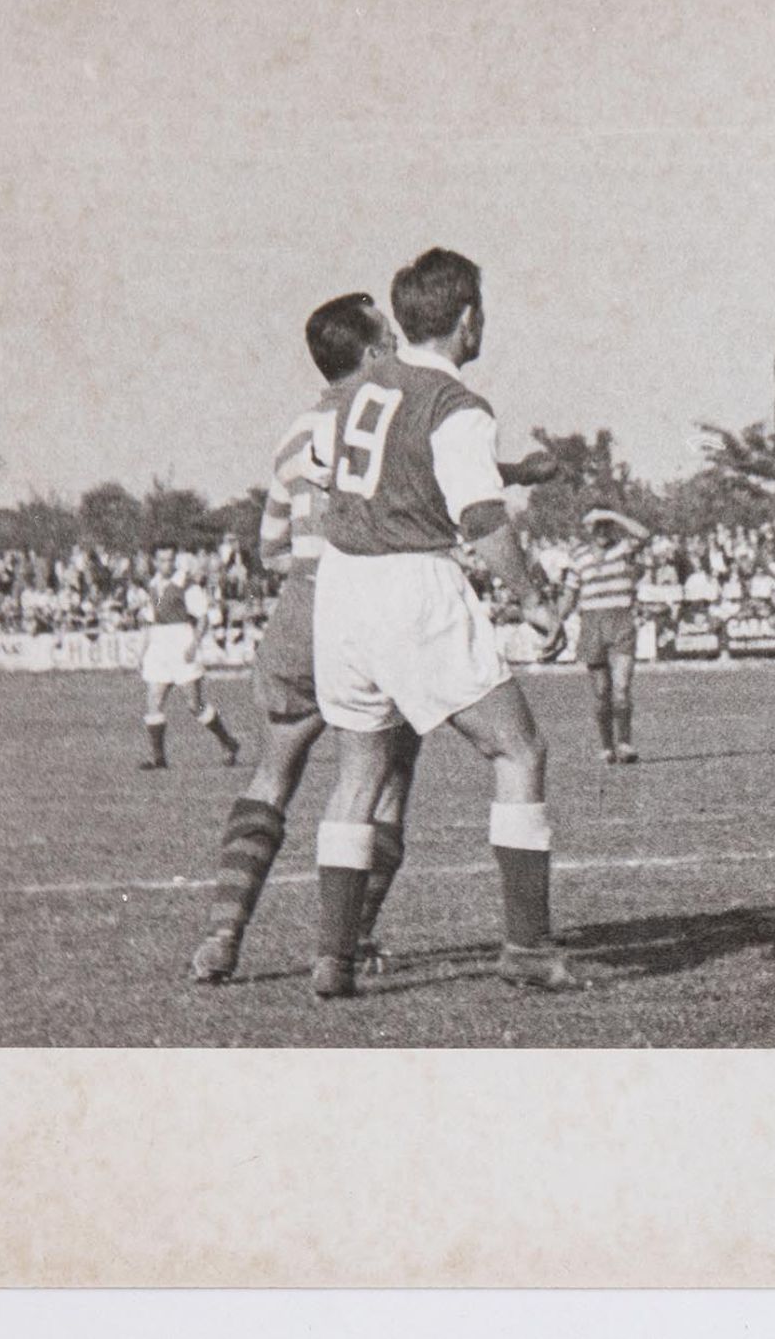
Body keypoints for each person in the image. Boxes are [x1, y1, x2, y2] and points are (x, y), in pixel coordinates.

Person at [192, 293, 562, 984]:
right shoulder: (391, 401)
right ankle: (349, 938)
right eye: (386, 337)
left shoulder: (297, 430)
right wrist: (511, 476)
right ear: (367, 353)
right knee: (386, 775)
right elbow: (424, 478)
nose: (395, 346)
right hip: (373, 592)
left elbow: (269, 547)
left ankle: (222, 933)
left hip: (303, 605)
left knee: (274, 774)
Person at [307, 247, 582, 999]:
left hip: (340, 587)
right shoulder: (457, 404)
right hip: (410, 584)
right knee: (518, 746)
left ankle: (334, 956)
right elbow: (481, 518)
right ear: (469, 319)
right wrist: (531, 596)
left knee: (358, 774)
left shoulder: (360, 390)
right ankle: (526, 945)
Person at [558, 506, 651, 765]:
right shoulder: (578, 556)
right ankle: (607, 745)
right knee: (601, 691)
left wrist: (614, 515)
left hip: (620, 621)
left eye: (605, 525)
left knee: (621, 688)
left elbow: (644, 534)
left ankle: (625, 743)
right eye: (596, 525)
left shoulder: (623, 548)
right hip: (592, 624)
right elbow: (569, 594)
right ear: (588, 529)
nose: (602, 530)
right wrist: (555, 625)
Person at [137, 543, 242, 769]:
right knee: (154, 701)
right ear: (155, 562)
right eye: (163, 559)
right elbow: (149, 621)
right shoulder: (153, 585)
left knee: (194, 704)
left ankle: (228, 742)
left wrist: (194, 644)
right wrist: (142, 652)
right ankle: (159, 758)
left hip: (181, 640)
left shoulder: (187, 585)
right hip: (158, 644)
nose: (167, 564)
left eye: (171, 559)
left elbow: (203, 617)